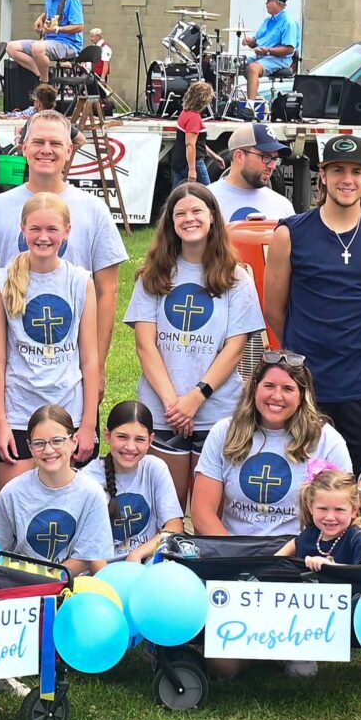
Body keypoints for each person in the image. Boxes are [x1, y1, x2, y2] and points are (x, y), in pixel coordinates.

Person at [0, 110, 127, 468]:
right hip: (16, 377)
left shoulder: (93, 210)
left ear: (69, 150)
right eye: (38, 142)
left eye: (56, 143)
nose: (46, 150)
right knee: (14, 485)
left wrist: (97, 368)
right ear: (23, 147)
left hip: (67, 376)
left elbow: (107, 293)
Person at [266, 131, 361, 472]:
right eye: (338, 170)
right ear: (323, 176)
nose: (347, 179)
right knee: (302, 480)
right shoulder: (291, 233)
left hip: (360, 386)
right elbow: (274, 310)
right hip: (304, 384)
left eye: (356, 171)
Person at [125, 182, 261, 500]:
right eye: (180, 213)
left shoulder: (236, 278)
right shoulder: (154, 276)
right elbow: (146, 345)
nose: (189, 218)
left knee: (208, 514)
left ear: (212, 216)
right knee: (165, 511)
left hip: (216, 411)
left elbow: (235, 347)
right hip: (162, 411)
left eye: (197, 210)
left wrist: (195, 399)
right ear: (171, 222)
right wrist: (175, 403)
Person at [0, 194, 100, 476]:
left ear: (67, 231)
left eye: (52, 229)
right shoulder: (1, 282)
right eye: (35, 229)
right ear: (22, 229)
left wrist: (87, 425)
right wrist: (1, 424)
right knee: (17, 504)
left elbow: (89, 357)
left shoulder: (80, 281)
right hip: (19, 410)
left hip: (67, 407)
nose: (43, 237)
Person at [193, 351, 350, 551]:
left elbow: (341, 513)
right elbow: (202, 512)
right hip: (233, 551)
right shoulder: (223, 432)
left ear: (302, 396)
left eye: (288, 389)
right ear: (254, 387)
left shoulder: (327, 440)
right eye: (269, 386)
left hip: (299, 554)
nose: (277, 396)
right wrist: (234, 555)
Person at [0, 405, 114, 574]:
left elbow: (89, 554)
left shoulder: (91, 492)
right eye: (39, 443)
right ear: (29, 447)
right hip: (22, 585)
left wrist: (49, 580)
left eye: (57, 441)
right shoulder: (13, 492)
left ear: (73, 443)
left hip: (74, 586)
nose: (48, 450)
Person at [85, 401, 184, 563]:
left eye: (139, 439)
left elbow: (174, 527)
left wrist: (137, 554)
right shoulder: (89, 476)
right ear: (107, 435)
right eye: (122, 437)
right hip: (101, 568)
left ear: (150, 440)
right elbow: (88, 544)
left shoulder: (155, 468)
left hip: (145, 561)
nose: (130, 447)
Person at [278, 469, 361, 571]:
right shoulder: (310, 535)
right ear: (310, 507)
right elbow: (273, 561)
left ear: (354, 510)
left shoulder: (358, 537)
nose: (330, 517)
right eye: (323, 509)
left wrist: (332, 567)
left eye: (339, 510)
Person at [2, 0, 85, 85]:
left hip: (69, 44)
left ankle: (44, 83)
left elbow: (79, 26)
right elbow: (49, 13)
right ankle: (42, 74)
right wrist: (40, 19)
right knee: (11, 47)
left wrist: (56, 29)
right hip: (49, 40)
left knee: (37, 48)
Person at [210, 123, 296, 222]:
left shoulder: (283, 206)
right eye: (266, 157)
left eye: (275, 159)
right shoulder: (206, 202)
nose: (273, 166)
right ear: (239, 156)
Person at [240, 0, 299, 105]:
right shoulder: (267, 21)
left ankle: (250, 106)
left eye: (269, 0)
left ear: (278, 3)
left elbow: (289, 49)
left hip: (280, 59)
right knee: (236, 63)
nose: (266, 3)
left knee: (253, 68)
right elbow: (256, 43)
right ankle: (228, 100)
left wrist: (268, 51)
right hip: (263, 57)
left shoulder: (288, 22)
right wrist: (250, 41)